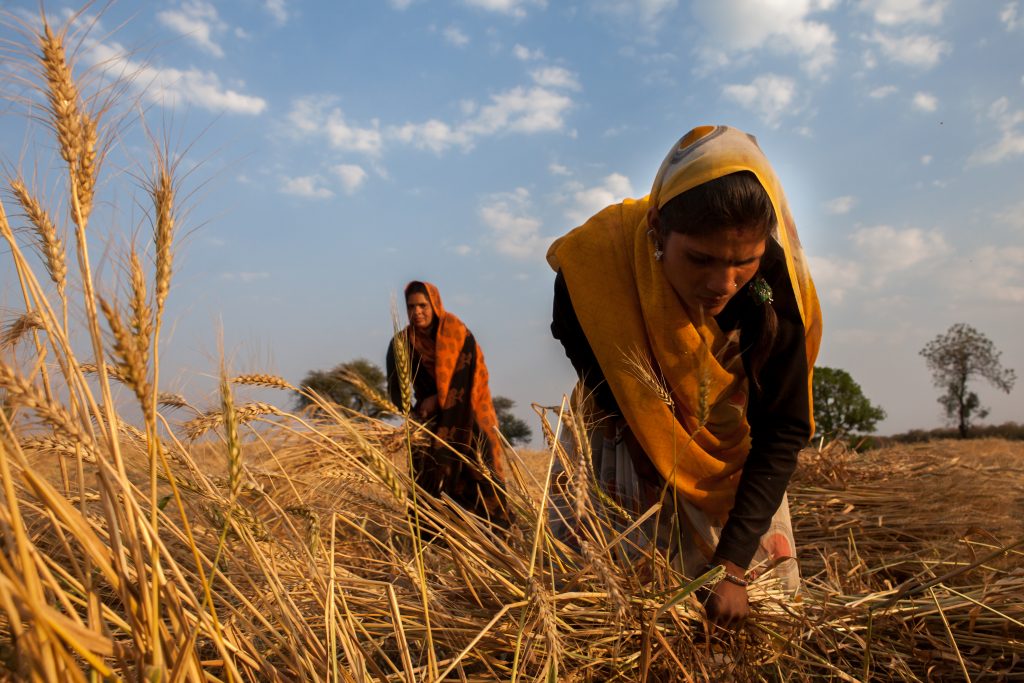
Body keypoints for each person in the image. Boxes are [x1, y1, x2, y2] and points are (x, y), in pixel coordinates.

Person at [546, 125, 822, 627]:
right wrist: (636, 423)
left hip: (734, 468)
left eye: (745, 263)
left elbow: (782, 430)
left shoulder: (776, 289)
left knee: (754, 631)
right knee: (617, 620)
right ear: (657, 228)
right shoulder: (596, 260)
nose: (723, 284)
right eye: (701, 259)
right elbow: (573, 332)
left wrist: (735, 567)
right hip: (619, 441)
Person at [386, 281, 509, 529]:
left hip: (469, 414)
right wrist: (413, 417)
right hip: (429, 422)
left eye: (423, 305)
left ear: (435, 304)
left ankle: (495, 535)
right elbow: (395, 388)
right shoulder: (402, 342)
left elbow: (467, 374)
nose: (416, 312)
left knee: (480, 471)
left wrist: (439, 399)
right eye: (411, 307)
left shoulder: (455, 331)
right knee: (430, 477)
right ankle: (436, 539)